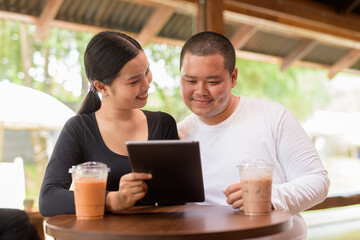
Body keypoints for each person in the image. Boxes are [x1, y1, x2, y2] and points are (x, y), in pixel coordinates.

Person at [177, 31, 330, 239]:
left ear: (233, 78)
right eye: (191, 81)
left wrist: (271, 196)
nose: (200, 91)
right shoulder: (178, 135)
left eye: (212, 82)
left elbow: (317, 180)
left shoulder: (274, 117)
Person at [39, 31, 179, 217]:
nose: (146, 84)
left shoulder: (163, 124)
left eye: (147, 71)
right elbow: (48, 199)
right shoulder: (79, 130)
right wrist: (114, 200)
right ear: (102, 87)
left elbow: (177, 198)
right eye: (134, 80)